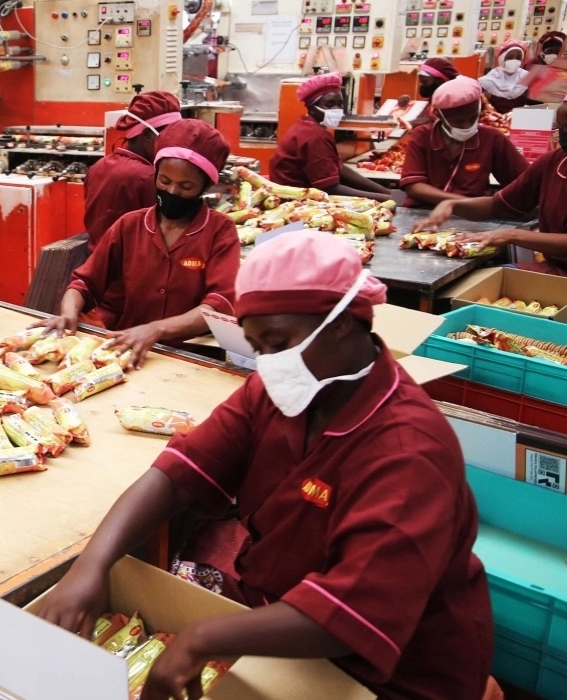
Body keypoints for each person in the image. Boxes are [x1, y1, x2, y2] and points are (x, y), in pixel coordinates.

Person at [37, 230, 493, 700]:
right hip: (284, 624)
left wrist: (202, 638)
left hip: (390, 670)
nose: (269, 363)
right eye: (258, 347)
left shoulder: (407, 451)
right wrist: (90, 567)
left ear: (341, 323)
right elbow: (177, 475)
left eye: (278, 342)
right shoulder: (283, 390)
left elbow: (354, 613)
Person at [32, 119, 240, 368]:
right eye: (164, 181)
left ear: (205, 186)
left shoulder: (220, 231)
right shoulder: (130, 225)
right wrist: (68, 314)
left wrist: (156, 330)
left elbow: (219, 305)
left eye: (186, 186)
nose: (172, 191)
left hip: (191, 357)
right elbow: (84, 283)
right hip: (128, 349)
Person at [412, 97, 567, 275]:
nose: (562, 133)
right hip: (553, 270)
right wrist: (452, 205)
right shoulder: (553, 162)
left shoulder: (491, 138)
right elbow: (496, 204)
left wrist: (512, 235)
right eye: (561, 127)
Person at [400, 76, 527, 206]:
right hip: (423, 214)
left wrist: (497, 204)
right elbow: (414, 186)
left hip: (472, 218)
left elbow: (526, 181)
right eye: (458, 122)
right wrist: (467, 203)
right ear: (441, 116)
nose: (467, 126)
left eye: (473, 119)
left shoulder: (492, 138)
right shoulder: (423, 135)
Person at [269, 73, 393, 202]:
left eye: (340, 104)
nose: (337, 110)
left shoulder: (310, 128)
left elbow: (340, 170)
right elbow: (329, 188)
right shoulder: (314, 136)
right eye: (329, 104)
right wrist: (386, 199)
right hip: (293, 206)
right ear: (312, 108)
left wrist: (386, 192)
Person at [83, 91, 182, 249]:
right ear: (147, 136)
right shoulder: (148, 177)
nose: (173, 144)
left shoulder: (98, 166)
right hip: (128, 269)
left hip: (96, 262)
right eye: (169, 137)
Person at [479, 41, 532, 113]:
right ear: (502, 58)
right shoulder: (488, 81)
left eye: (518, 58)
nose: (514, 60)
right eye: (510, 57)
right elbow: (484, 107)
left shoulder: (526, 76)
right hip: (494, 121)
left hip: (519, 120)